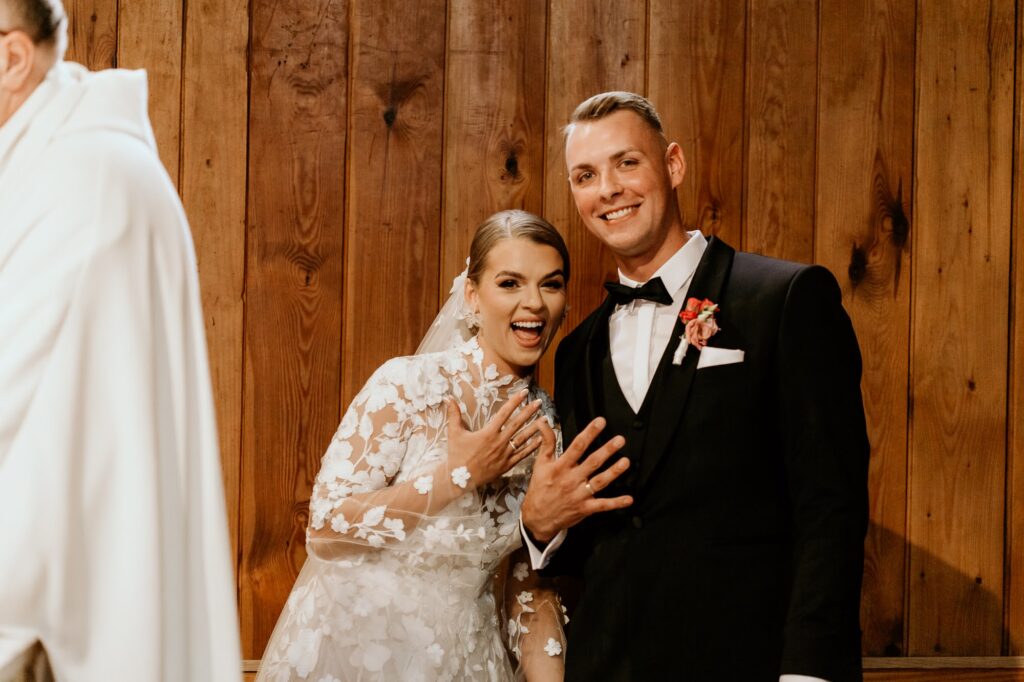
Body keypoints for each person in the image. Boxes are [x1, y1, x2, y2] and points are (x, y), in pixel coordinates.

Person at [520, 92, 870, 681]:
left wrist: (808, 671)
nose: (608, 189)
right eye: (586, 175)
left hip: (751, 663)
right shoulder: (576, 350)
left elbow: (830, 505)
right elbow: (602, 532)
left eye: (627, 162)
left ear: (673, 165)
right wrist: (539, 525)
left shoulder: (783, 298)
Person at [256, 210, 628, 682]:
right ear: (472, 296)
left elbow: (528, 586)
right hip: (364, 652)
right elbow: (326, 529)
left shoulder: (548, 426)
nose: (534, 303)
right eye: (510, 283)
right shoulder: (409, 385)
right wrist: (457, 476)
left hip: (467, 662)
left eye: (550, 285)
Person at [0, 0, 242, 679]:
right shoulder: (49, 169)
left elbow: (20, 421)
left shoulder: (85, 184)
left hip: (56, 628)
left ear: (11, 58)